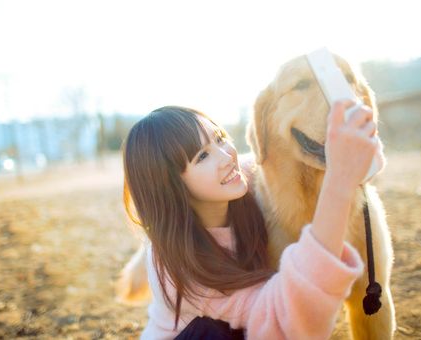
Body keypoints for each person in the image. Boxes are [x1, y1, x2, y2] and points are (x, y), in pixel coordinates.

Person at [122, 102, 379, 339]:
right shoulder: (181, 271)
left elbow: (283, 164)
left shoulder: (241, 179)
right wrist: (340, 182)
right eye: (202, 156)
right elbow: (284, 322)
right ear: (170, 188)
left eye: (220, 138)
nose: (226, 157)